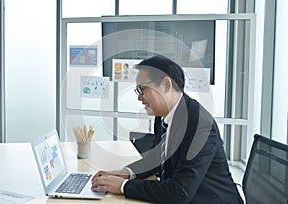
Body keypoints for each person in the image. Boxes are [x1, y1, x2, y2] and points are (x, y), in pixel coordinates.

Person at [91, 55, 243, 204]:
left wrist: (123, 187)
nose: (139, 97)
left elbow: (179, 192)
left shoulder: (199, 126)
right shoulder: (163, 115)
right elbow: (156, 157)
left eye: (142, 89)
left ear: (166, 85)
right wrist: (126, 173)